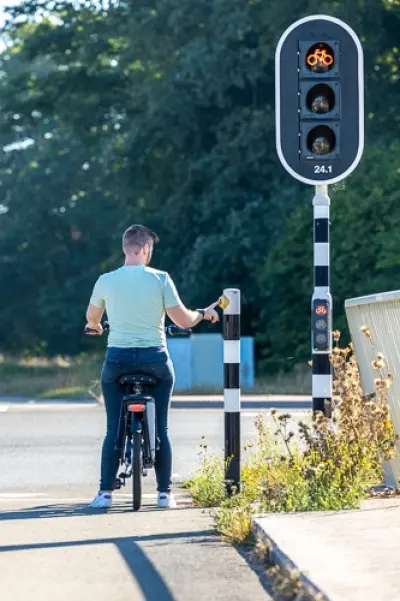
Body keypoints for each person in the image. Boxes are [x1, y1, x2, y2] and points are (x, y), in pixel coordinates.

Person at [85, 224, 220, 509]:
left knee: (112, 430)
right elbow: (182, 320)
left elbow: (92, 318)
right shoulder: (160, 279)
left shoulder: (106, 280)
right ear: (146, 249)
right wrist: (202, 314)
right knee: (161, 430)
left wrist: (95, 327)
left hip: (118, 361)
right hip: (154, 360)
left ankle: (104, 494)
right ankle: (164, 494)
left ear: (125, 247)